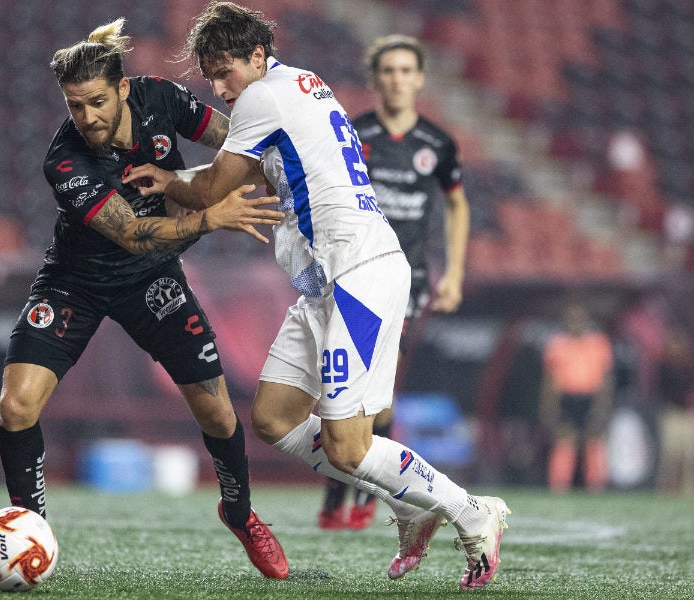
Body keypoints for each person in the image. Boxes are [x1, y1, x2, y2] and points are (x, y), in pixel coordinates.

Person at [123, 2, 508, 589]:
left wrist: (169, 181)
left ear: (257, 55)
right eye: (211, 77)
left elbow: (212, 188)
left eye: (225, 71)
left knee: (349, 446)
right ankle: (407, 503)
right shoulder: (297, 86)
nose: (221, 88)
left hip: (359, 273)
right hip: (325, 283)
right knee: (275, 417)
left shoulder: (262, 97)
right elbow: (262, 170)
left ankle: (469, 511)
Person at [0, 18, 288, 579]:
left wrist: (272, 166)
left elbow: (235, 137)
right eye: (75, 106)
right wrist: (211, 215)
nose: (87, 118)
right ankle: (30, 527)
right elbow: (131, 233)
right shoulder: (64, 160)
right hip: (74, 282)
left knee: (220, 412)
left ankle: (240, 512)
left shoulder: (163, 98)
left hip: (152, 281)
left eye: (97, 103)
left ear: (124, 89)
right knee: (16, 405)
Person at [317, 34, 472, 531]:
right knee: (338, 380)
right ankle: (341, 486)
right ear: (375, 78)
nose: (397, 79)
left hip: (406, 280)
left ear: (420, 79)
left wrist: (455, 273)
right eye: (388, 70)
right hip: (351, 271)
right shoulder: (354, 132)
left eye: (406, 70)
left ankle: (361, 490)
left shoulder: (437, 144)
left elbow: (456, 204)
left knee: (377, 390)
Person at [540, 301, 614, 493]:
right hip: (566, 397)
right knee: (565, 440)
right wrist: (549, 408)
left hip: (590, 397)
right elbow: (550, 379)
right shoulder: (557, 344)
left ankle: (596, 487)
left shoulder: (598, 343)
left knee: (593, 440)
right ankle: (559, 488)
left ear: (587, 320)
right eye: (570, 318)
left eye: (578, 318)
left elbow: (605, 378)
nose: (575, 322)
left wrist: (602, 407)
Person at [653, 329, 694, 495]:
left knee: (689, 455)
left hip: (688, 413)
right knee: (671, 455)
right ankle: (668, 489)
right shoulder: (664, 366)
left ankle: (688, 488)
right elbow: (667, 390)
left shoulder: (689, 366)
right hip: (672, 412)